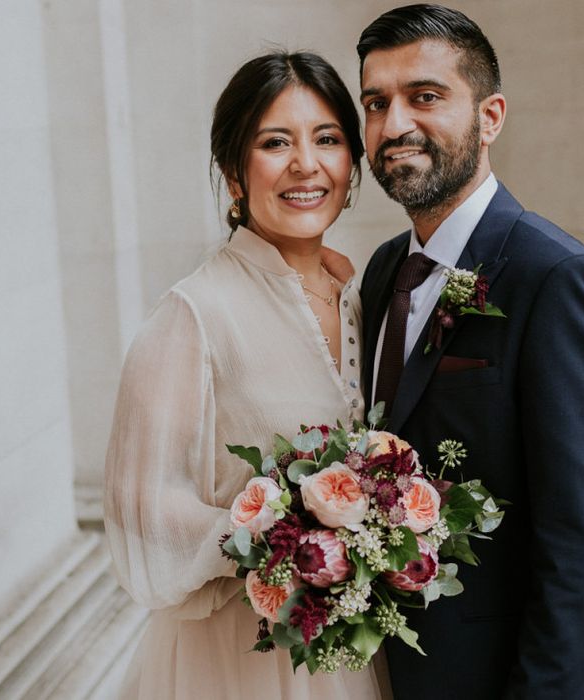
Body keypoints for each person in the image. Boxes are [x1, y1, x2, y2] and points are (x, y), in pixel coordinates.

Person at [356, 5, 584, 699]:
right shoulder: (384, 269)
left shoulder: (559, 279)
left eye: (425, 97)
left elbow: (580, 542)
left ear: (490, 116)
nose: (394, 126)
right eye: (375, 102)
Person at [104, 51, 384, 699]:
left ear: (351, 165)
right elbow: (141, 508)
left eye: (328, 140)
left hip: (350, 649)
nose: (305, 164)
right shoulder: (193, 313)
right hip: (236, 655)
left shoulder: (362, 297)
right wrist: (280, 533)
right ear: (233, 173)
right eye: (275, 142)